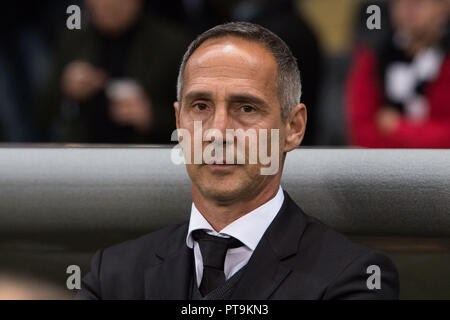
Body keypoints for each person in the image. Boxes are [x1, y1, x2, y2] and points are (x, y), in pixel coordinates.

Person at [77, 22, 399, 300]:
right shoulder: (112, 275)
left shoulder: (354, 278)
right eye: (200, 106)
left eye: (246, 108)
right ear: (179, 121)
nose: (217, 132)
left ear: (294, 127)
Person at [36, 0, 190, 144]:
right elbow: (41, 114)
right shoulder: (74, 39)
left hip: (147, 158)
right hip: (84, 156)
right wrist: (66, 89)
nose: (112, 3)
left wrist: (152, 117)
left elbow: (199, 122)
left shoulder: (172, 44)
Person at [347, 0, 450, 148]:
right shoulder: (372, 58)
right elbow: (362, 135)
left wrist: (397, 127)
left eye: (419, 3)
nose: (407, 7)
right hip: (384, 167)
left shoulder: (444, 62)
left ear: (444, 6)